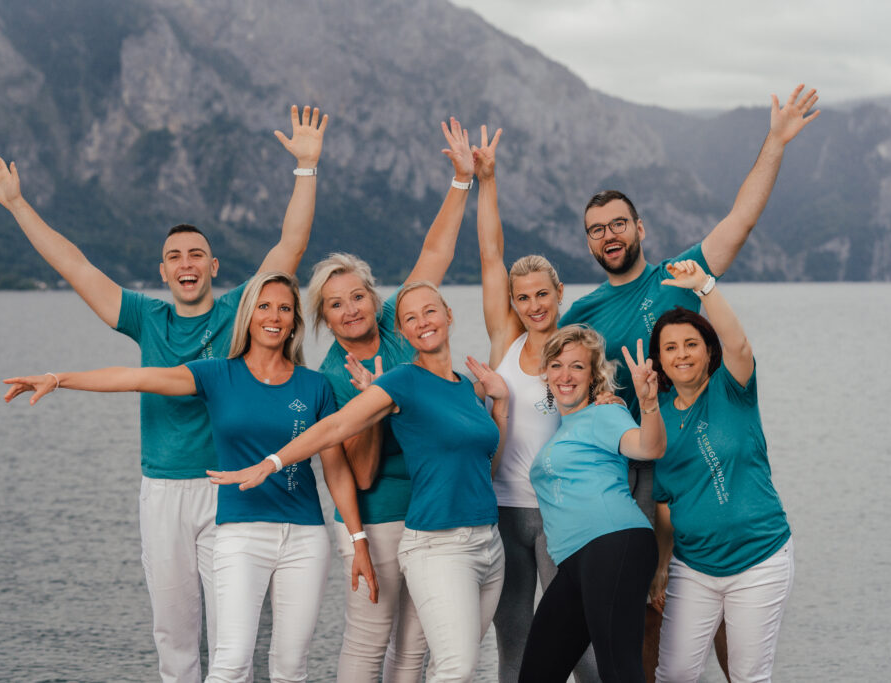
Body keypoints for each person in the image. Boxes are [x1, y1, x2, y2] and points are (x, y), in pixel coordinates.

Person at [0, 105, 328, 683]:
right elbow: (75, 265)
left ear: (213, 265)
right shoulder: (145, 319)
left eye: (196, 255)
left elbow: (291, 244)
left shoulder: (243, 309)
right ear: (163, 272)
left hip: (229, 491)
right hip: (162, 490)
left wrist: (307, 168)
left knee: (234, 638)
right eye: (175, 258)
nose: (186, 264)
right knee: (173, 634)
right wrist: (17, 203)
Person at [3, 271, 377, 683]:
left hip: (305, 539)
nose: (274, 316)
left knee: (290, 668)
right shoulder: (217, 374)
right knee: (231, 663)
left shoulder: (315, 385)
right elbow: (135, 378)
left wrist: (359, 541)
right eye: (263, 306)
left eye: (284, 308)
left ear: (294, 322)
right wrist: (59, 379)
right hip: (240, 535)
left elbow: (336, 469)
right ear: (248, 315)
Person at [560, 84, 817, 677]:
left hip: (686, 457)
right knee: (652, 609)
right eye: (597, 229)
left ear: (640, 228)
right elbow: (541, 360)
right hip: (634, 469)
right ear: (589, 242)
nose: (609, 235)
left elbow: (741, 220)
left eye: (619, 223)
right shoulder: (583, 315)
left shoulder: (681, 275)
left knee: (728, 617)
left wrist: (775, 142)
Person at [210, 281, 509, 683]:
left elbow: (485, 470)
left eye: (430, 311)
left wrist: (501, 404)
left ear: (449, 315)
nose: (423, 322)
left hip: (488, 544)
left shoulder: (466, 388)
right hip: (439, 543)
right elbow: (337, 426)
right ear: (401, 332)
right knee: (454, 669)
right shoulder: (400, 380)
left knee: (444, 662)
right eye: (410, 318)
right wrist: (272, 462)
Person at [308, 117, 475, 682]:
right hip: (377, 517)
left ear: (373, 298)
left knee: (415, 648)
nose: (351, 308)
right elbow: (352, 471)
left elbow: (434, 253)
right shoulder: (332, 376)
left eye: (358, 295)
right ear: (324, 319)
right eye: (335, 304)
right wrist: (375, 404)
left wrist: (461, 182)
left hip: (433, 513)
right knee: (366, 641)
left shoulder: (399, 322)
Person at [471, 125, 602, 683]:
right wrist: (488, 180)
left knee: (581, 647)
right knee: (515, 647)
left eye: (541, 295)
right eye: (521, 297)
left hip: (560, 513)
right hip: (503, 510)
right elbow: (490, 252)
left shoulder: (576, 350)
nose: (531, 305)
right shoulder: (505, 340)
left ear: (558, 295)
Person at [646, 260, 793, 683]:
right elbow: (665, 503)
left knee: (748, 676)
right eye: (670, 348)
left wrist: (706, 288)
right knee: (673, 674)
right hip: (694, 567)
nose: (682, 354)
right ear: (659, 359)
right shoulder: (657, 420)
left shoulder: (733, 390)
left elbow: (740, 347)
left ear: (709, 350)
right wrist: (660, 566)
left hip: (759, 559)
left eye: (691, 344)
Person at [518, 326, 665, 682]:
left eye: (577, 367)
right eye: (556, 365)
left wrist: (648, 404)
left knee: (618, 669)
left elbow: (648, 448)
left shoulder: (604, 415)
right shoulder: (563, 429)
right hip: (576, 561)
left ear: (594, 376)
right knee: (537, 673)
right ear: (546, 373)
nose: (565, 375)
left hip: (614, 542)